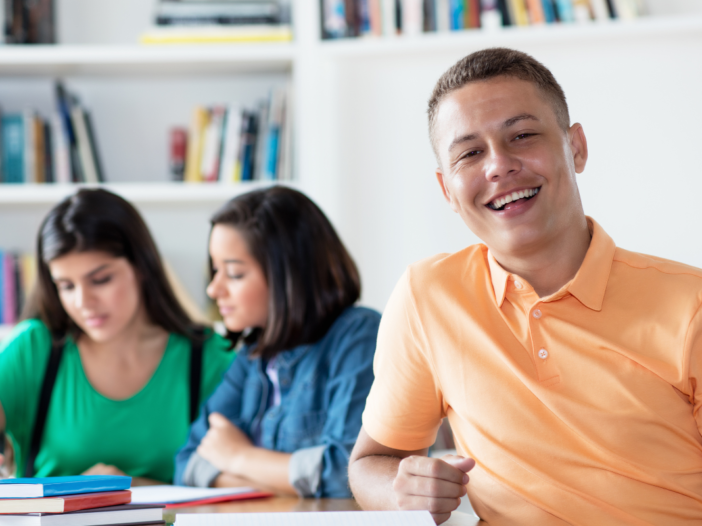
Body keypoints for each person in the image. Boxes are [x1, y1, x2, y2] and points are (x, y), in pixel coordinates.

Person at [348, 47, 702, 525]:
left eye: (522, 135)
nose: (498, 165)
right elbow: (370, 462)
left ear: (575, 147)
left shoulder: (691, 303)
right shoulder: (426, 295)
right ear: (447, 190)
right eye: (470, 152)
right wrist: (403, 490)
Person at [0, 188, 233, 484]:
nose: (83, 302)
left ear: (142, 267)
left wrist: (125, 489)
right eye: (66, 286)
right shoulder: (34, 348)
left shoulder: (210, 357)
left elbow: (242, 478)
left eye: (100, 280)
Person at [174, 186, 380, 498]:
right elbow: (187, 464)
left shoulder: (358, 336)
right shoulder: (253, 356)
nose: (214, 290)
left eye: (234, 273)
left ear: (289, 276)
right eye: (215, 271)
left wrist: (238, 457)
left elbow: (348, 475)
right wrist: (280, 479)